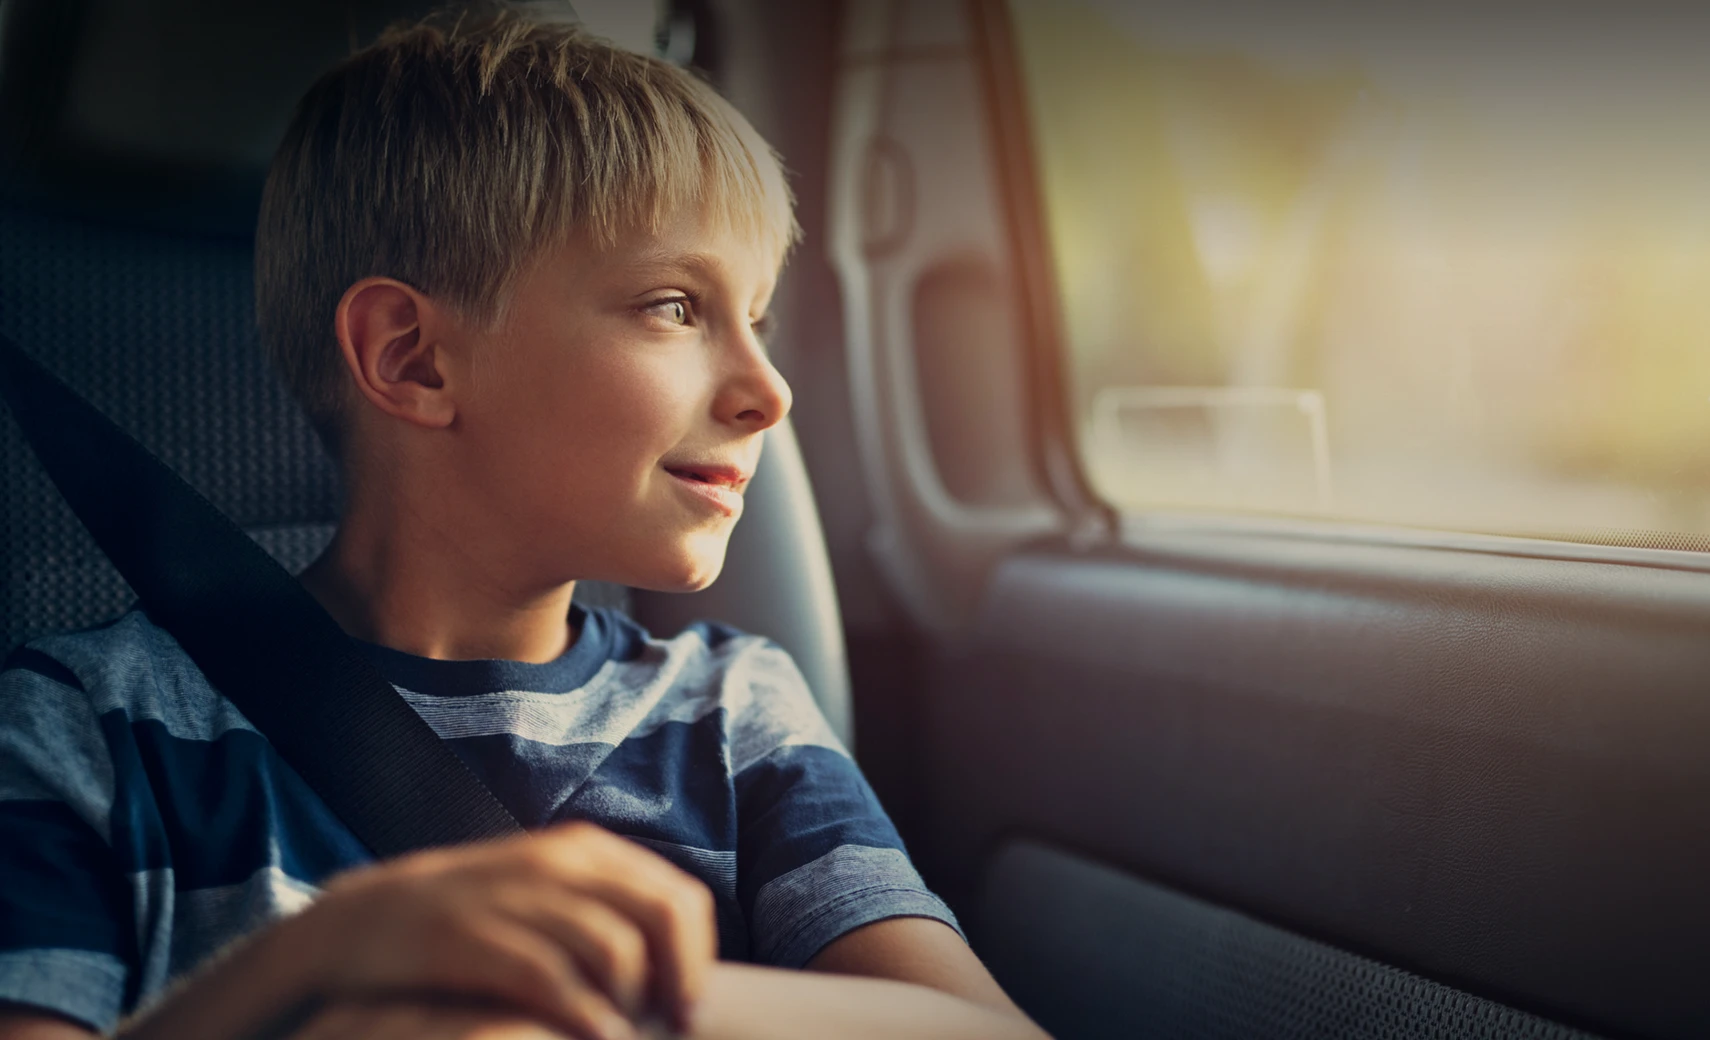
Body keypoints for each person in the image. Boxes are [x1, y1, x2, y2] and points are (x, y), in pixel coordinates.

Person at [0, 7, 1043, 1039]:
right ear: (413, 358)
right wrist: (314, 960)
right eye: (675, 305)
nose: (769, 389)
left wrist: (586, 996)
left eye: (758, 317)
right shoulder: (84, 726)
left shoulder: (733, 714)